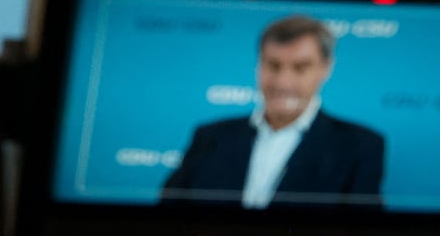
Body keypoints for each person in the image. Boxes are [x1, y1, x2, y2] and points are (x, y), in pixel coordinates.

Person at [161, 14, 385, 208]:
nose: (283, 82)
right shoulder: (210, 137)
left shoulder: (360, 147)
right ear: (259, 65)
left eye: (300, 68)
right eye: (273, 65)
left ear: (326, 68)